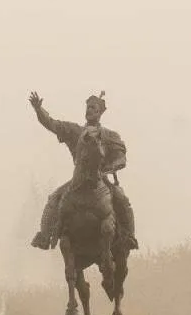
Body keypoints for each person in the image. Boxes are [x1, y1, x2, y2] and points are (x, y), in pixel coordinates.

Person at [28, 91, 138, 252]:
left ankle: (128, 237)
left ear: (100, 112)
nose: (89, 111)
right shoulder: (74, 131)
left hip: (101, 178)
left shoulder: (109, 136)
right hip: (78, 180)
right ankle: (45, 236)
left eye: (93, 108)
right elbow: (52, 124)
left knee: (122, 200)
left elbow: (121, 159)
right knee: (54, 198)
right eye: (87, 107)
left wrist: (108, 169)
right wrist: (39, 110)